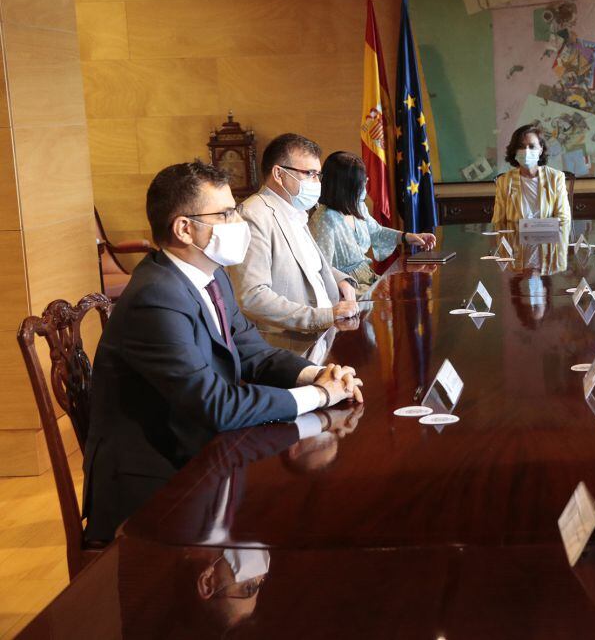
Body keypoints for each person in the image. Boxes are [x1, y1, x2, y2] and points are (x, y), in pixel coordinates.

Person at [83, 162, 364, 542]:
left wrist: (317, 374)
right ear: (184, 228)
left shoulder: (211, 275)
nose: (239, 222)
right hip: (156, 483)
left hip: (202, 450)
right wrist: (318, 397)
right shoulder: (156, 298)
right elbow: (217, 405)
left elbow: (254, 353)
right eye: (226, 214)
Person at [230, 133, 360, 333]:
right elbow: (252, 296)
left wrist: (340, 279)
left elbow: (307, 265)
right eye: (309, 173)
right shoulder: (253, 215)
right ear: (279, 174)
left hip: (324, 331)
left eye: (318, 175)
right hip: (290, 342)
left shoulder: (295, 210)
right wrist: (323, 316)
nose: (316, 182)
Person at [309, 150, 436, 292]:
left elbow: (376, 232)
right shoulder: (324, 219)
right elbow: (322, 269)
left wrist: (409, 237)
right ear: (345, 187)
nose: (366, 183)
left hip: (368, 279)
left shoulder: (357, 206)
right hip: (345, 289)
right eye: (362, 182)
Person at [491, 124, 572, 228]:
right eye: (521, 147)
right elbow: (498, 221)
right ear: (514, 151)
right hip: (515, 242)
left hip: (548, 241)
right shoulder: (504, 181)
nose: (526, 151)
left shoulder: (556, 178)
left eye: (532, 146)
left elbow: (564, 219)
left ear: (541, 150)